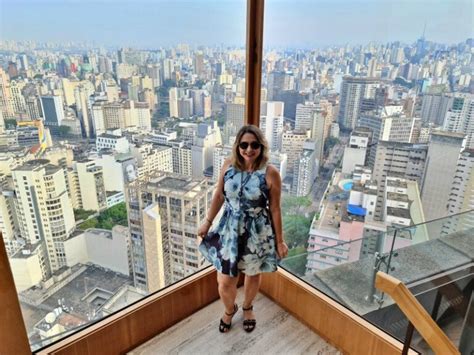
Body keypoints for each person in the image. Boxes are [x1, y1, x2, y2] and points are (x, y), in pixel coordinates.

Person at [198, 124, 288, 333]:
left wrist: (280, 240)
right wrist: (207, 221)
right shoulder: (229, 165)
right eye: (244, 144)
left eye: (254, 145)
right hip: (229, 228)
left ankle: (247, 307)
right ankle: (230, 309)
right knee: (224, 280)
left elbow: (274, 209)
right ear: (238, 146)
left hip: (257, 231)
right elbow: (219, 195)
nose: (249, 149)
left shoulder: (271, 173)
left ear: (261, 147)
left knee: (252, 274)